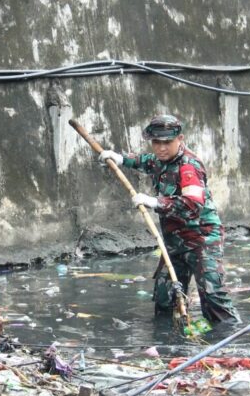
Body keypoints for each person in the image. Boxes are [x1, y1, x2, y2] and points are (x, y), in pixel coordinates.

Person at [98, 114, 239, 324]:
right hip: (173, 241)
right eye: (156, 142)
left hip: (201, 239)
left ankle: (230, 340)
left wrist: (156, 202)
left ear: (179, 139)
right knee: (166, 297)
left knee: (212, 297)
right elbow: (144, 161)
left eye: (167, 143)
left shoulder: (189, 167)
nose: (161, 148)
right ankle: (169, 344)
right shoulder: (158, 159)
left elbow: (193, 203)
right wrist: (119, 159)